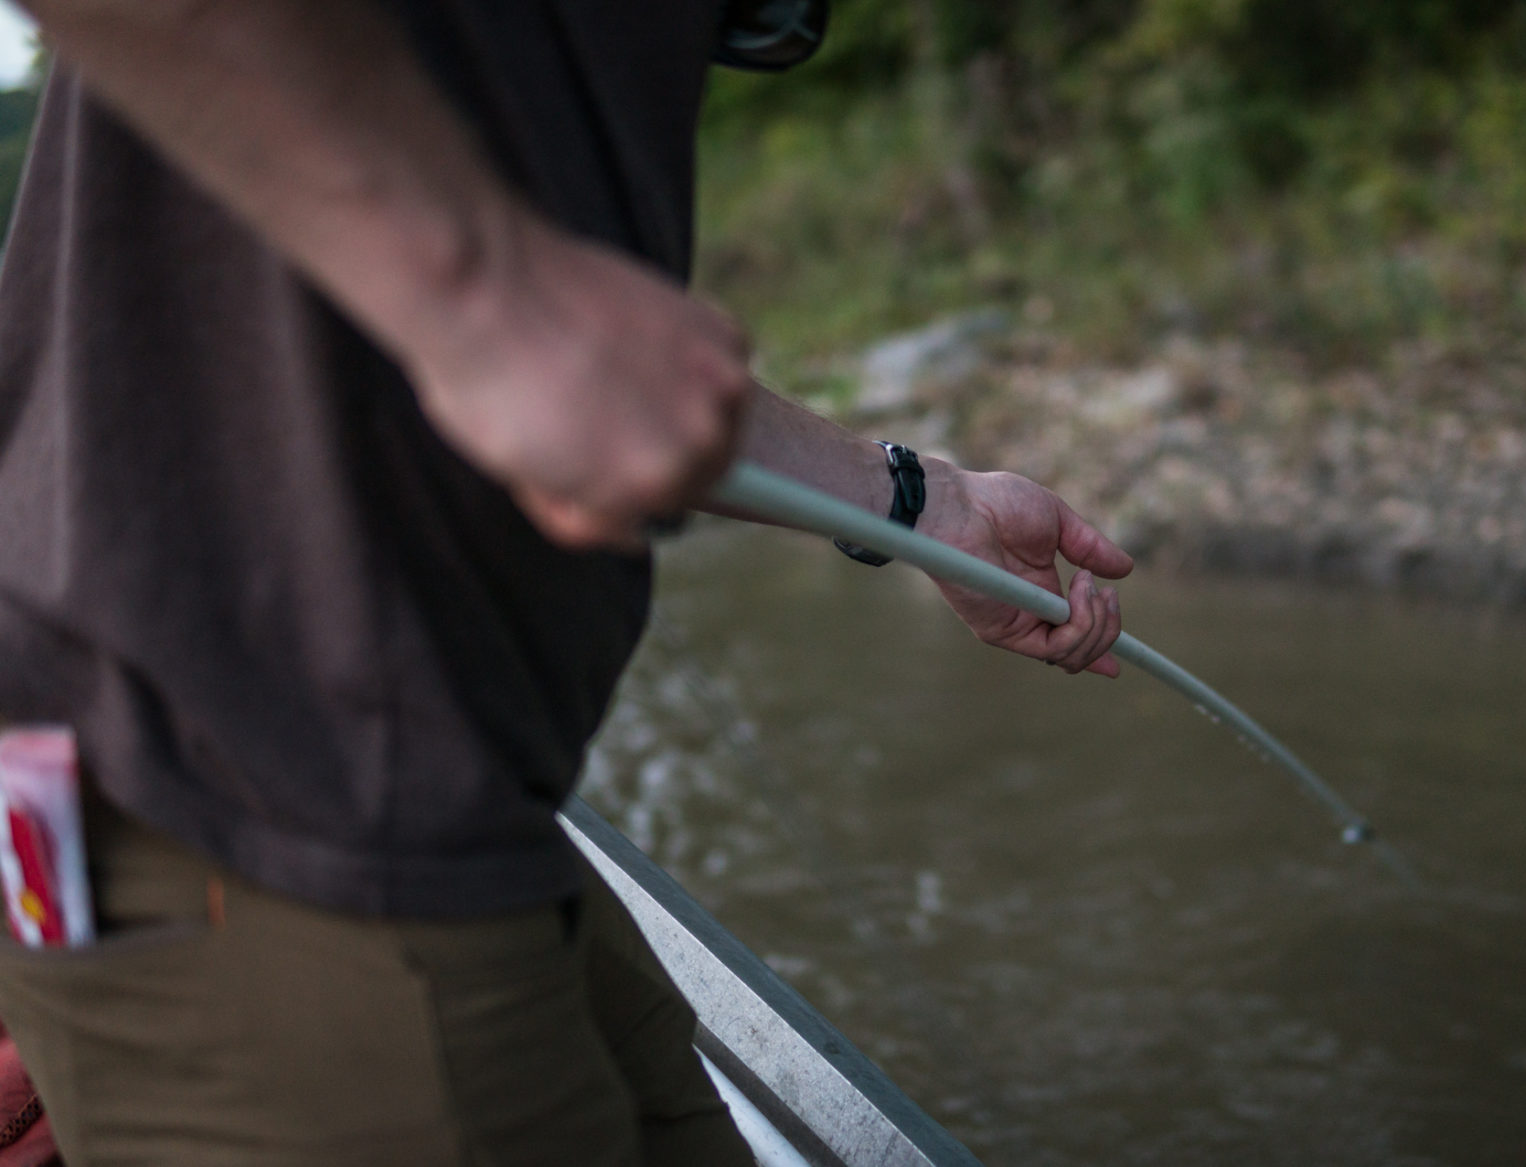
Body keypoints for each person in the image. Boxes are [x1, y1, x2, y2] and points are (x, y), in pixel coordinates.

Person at [0, 1, 1132, 1164]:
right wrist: (485, 289)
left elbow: (589, 367)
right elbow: (526, 324)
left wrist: (918, 502)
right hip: (247, 821)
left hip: (460, 799)